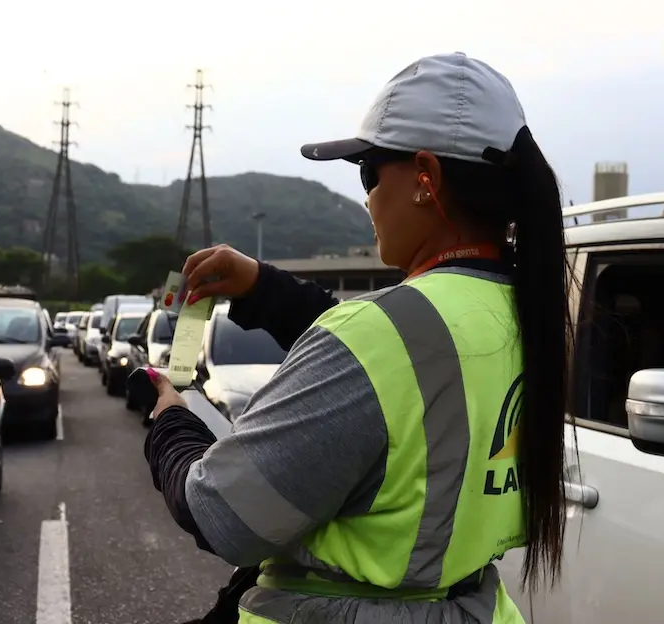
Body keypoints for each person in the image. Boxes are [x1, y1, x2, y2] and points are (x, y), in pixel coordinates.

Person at [144, 52, 574, 624]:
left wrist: (170, 423)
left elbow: (221, 516)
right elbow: (399, 365)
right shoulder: (525, 312)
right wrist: (260, 287)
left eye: (369, 174)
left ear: (427, 177)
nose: (366, 198)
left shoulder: (383, 336)